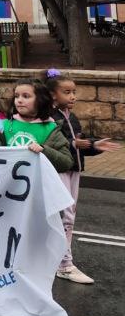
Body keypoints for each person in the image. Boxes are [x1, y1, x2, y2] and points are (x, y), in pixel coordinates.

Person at [48, 72, 119, 285]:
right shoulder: (51, 118)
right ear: (52, 95)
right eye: (67, 92)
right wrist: (73, 145)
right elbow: (56, 145)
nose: (73, 96)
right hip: (59, 170)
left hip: (74, 170)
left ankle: (58, 262)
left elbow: (78, 144)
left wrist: (95, 145)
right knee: (64, 218)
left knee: (68, 218)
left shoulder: (72, 116)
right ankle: (64, 265)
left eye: (74, 92)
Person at [0, 80, 73, 172]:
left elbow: (66, 163)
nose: (19, 100)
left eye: (26, 96)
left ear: (40, 100)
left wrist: (44, 150)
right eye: (17, 96)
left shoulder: (51, 129)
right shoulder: (5, 125)